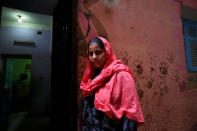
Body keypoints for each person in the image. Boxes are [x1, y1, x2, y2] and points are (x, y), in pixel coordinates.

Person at [80, 36, 144, 131]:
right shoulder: (91, 79)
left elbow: (130, 115)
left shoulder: (122, 75)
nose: (94, 57)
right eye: (90, 54)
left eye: (98, 52)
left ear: (107, 52)